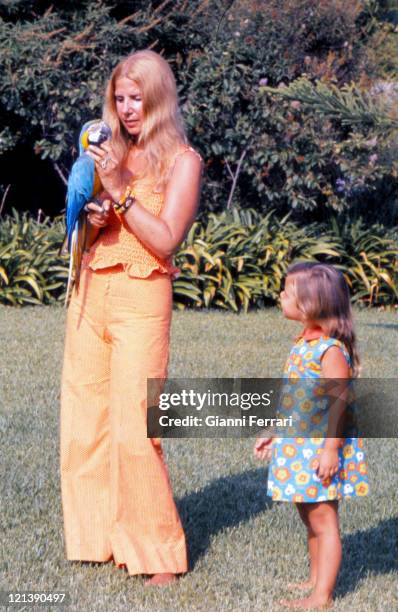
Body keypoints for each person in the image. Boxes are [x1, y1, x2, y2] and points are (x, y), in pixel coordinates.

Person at [60, 49, 202, 586]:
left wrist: (119, 192)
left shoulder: (183, 161)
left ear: (158, 99)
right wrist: (96, 216)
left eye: (136, 99)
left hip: (143, 298)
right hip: (93, 290)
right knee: (87, 417)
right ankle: (97, 539)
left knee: (137, 428)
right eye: (118, 99)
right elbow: (99, 229)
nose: (125, 110)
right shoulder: (107, 151)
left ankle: (158, 555)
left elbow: (166, 239)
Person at [254, 262, 369, 609]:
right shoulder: (303, 343)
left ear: (311, 304)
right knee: (309, 514)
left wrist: (331, 450)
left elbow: (340, 404)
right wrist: (276, 433)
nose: (281, 296)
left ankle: (322, 595)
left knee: (323, 518)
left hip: (320, 447)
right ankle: (315, 578)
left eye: (288, 292)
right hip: (299, 444)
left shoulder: (330, 350)